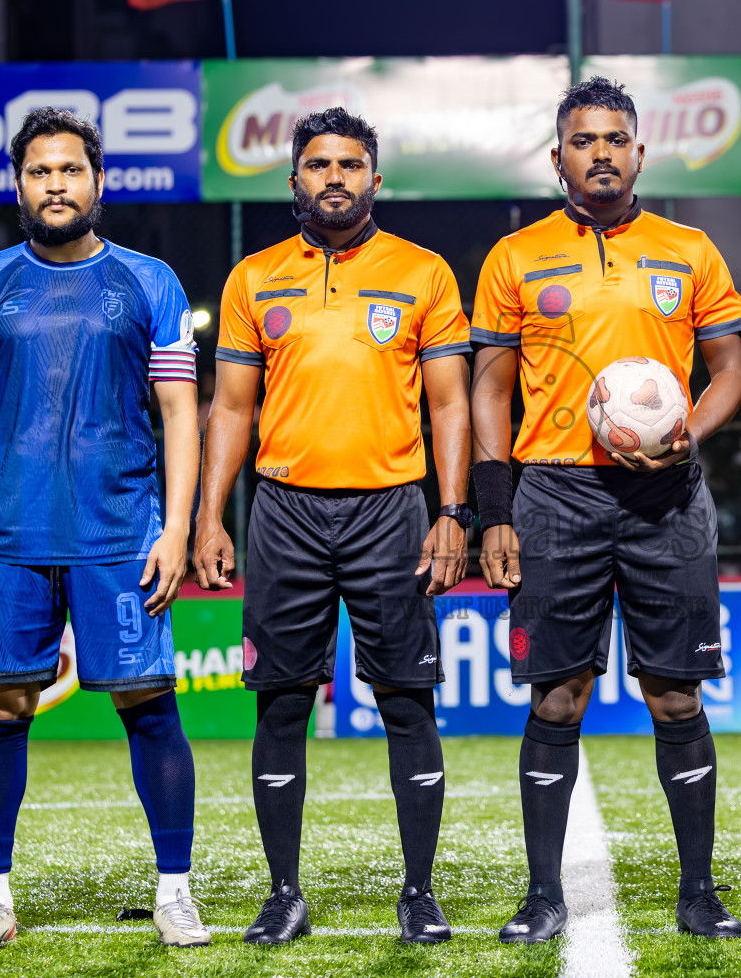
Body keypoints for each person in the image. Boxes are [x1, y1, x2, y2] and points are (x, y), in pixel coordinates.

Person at [472, 77, 741, 943]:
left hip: (667, 497)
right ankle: (543, 893)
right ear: (557, 157)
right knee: (558, 696)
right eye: (583, 140)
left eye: (616, 139)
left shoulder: (690, 249)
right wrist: (495, 511)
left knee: (676, 696)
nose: (601, 153)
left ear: (639, 152)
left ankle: (698, 890)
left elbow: (732, 369)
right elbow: (489, 388)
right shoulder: (514, 257)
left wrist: (687, 434)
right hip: (556, 492)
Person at [0, 108, 205, 950]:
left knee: (149, 705)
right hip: (5, 538)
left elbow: (180, 413)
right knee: (1, 710)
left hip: (121, 535)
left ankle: (175, 891)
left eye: (70, 169)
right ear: (20, 186)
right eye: (40, 171)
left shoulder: (148, 281)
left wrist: (178, 528)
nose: (56, 184)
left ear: (97, 181)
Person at [194, 108, 472, 945]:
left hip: (392, 509)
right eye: (318, 165)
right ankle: (284, 893)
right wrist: (212, 515)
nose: (335, 178)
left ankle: (418, 893)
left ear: (376, 179)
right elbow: (231, 409)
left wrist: (454, 513)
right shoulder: (254, 279)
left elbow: (452, 402)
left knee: (407, 701)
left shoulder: (422, 273)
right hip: (284, 511)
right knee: (280, 703)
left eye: (351, 164)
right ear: (295, 182)